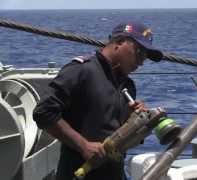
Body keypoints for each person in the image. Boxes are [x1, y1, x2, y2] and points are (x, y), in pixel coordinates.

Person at [33, 21, 163, 180]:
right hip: (78, 172)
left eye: (145, 57)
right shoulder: (81, 70)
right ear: (120, 42)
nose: (142, 61)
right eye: (139, 52)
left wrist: (134, 121)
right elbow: (44, 112)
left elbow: (117, 134)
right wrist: (83, 145)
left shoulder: (127, 85)